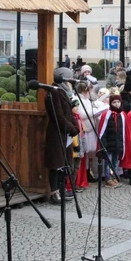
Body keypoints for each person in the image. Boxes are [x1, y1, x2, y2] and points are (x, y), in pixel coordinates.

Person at [45, 67, 80, 203]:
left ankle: (62, 188)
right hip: (57, 133)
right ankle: (54, 192)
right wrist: (71, 128)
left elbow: (68, 113)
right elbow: (58, 116)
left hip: (66, 134)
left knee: (64, 163)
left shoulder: (63, 92)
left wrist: (74, 126)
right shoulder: (53, 92)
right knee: (56, 164)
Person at [98, 90, 125, 188]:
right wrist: (103, 144)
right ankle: (108, 178)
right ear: (110, 103)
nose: (116, 104)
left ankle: (113, 176)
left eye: (118, 102)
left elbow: (123, 132)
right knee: (108, 162)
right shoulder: (107, 115)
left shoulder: (122, 114)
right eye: (114, 102)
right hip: (109, 144)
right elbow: (102, 131)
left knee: (115, 162)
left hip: (117, 144)